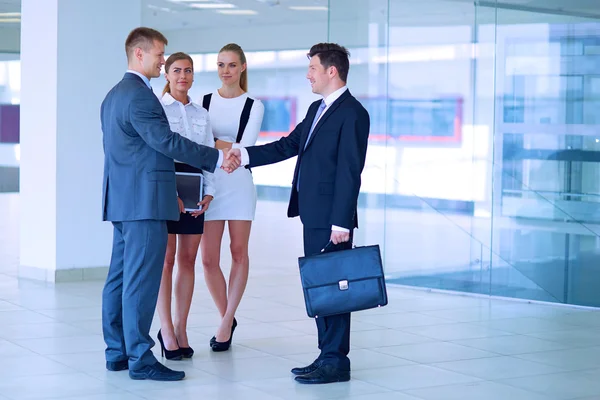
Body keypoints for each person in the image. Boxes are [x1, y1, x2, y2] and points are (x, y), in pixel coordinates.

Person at [100, 27, 239, 382]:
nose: (164, 62)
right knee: (141, 281)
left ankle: (116, 351)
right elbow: (167, 142)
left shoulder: (113, 96)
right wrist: (215, 155)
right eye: (161, 55)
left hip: (122, 200)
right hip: (145, 203)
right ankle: (140, 357)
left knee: (119, 277)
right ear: (140, 54)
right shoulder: (141, 97)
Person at [227, 43, 370, 384]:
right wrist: (243, 154)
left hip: (332, 220)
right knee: (320, 285)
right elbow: (289, 145)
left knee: (333, 288)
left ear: (331, 71)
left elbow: (350, 171)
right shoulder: (316, 108)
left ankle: (336, 361)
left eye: (313, 69)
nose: (308, 75)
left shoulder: (353, 113)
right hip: (313, 214)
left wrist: (341, 222)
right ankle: (326, 355)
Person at [199, 43, 265, 352]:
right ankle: (227, 315)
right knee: (208, 259)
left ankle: (225, 324)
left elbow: (246, 146)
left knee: (239, 252)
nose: (226, 71)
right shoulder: (204, 101)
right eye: (221, 65)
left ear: (242, 67)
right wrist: (230, 147)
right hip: (211, 182)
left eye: (231, 65)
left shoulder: (254, 105)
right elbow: (198, 140)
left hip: (239, 183)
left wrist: (219, 145)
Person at [155, 52, 215, 360]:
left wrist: (210, 192)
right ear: (166, 74)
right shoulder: (157, 108)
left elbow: (206, 155)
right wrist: (168, 192)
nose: (183, 76)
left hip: (195, 187)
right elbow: (158, 153)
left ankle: (181, 327)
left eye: (188, 71)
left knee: (188, 260)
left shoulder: (201, 113)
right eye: (177, 70)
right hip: (168, 183)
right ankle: (165, 329)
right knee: (166, 259)